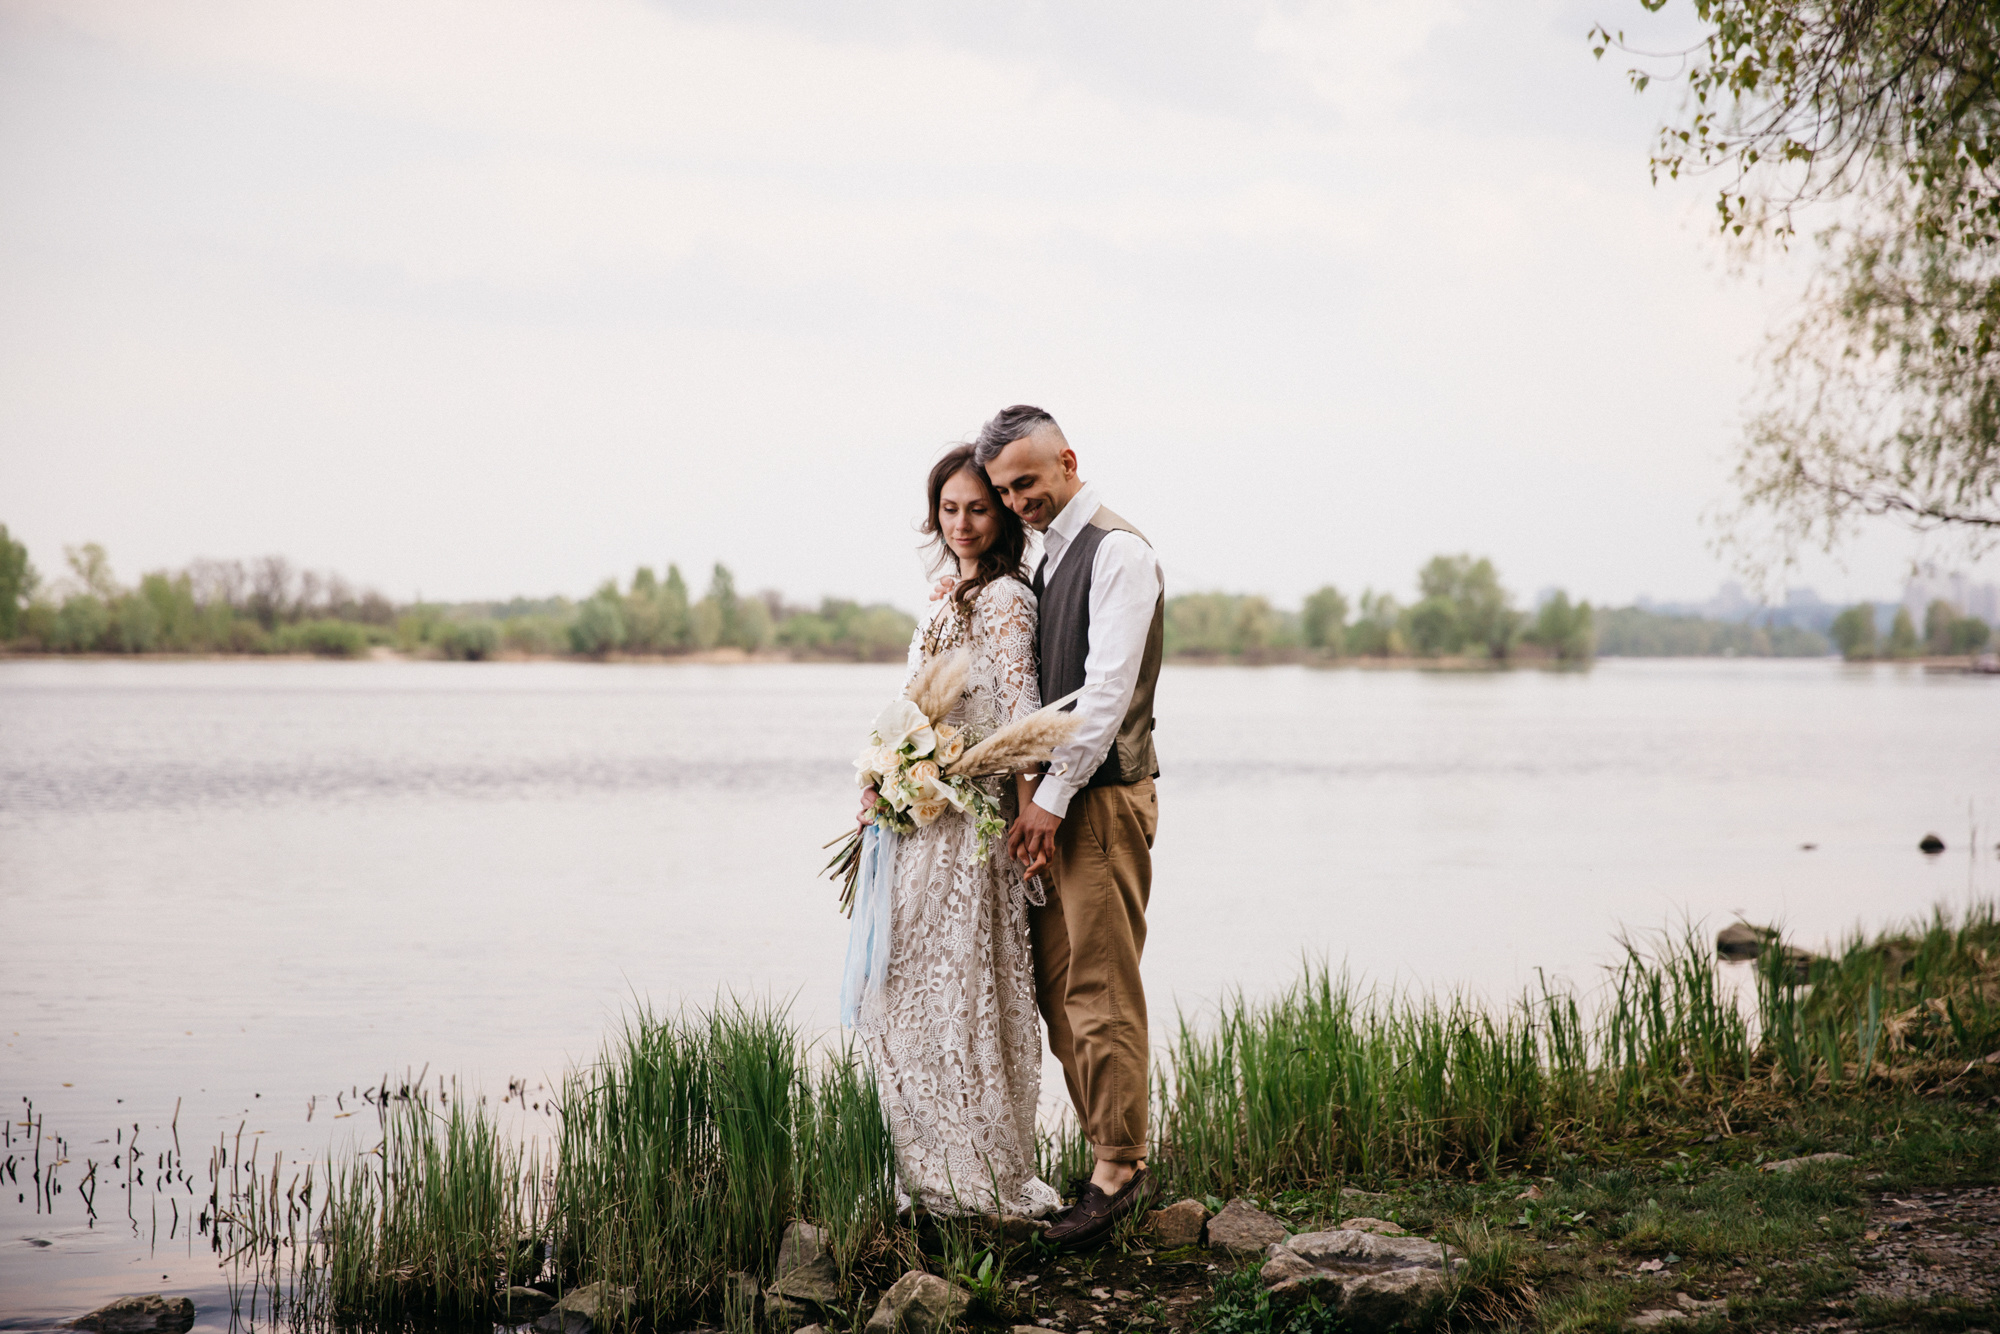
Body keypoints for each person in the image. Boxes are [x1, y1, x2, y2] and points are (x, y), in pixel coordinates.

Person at [850, 445, 1061, 1218]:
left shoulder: (1006, 598)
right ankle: (929, 1165)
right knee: (910, 985)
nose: (963, 523)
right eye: (950, 509)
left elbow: (1022, 712)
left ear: (1001, 512)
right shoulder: (948, 592)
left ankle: (980, 1169)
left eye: (978, 507)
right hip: (922, 819)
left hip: (971, 827)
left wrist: (1031, 813)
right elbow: (915, 705)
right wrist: (887, 777)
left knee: (964, 987)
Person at [974, 404, 1164, 1251]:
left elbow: (1105, 695)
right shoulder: (1044, 557)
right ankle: (1106, 1154)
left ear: (1067, 461)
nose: (1017, 501)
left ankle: (1119, 1170)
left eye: (1027, 482)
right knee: (1055, 988)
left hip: (1100, 799)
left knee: (1100, 988)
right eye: (1004, 490)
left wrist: (1048, 800)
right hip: (1053, 805)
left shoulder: (1119, 552)